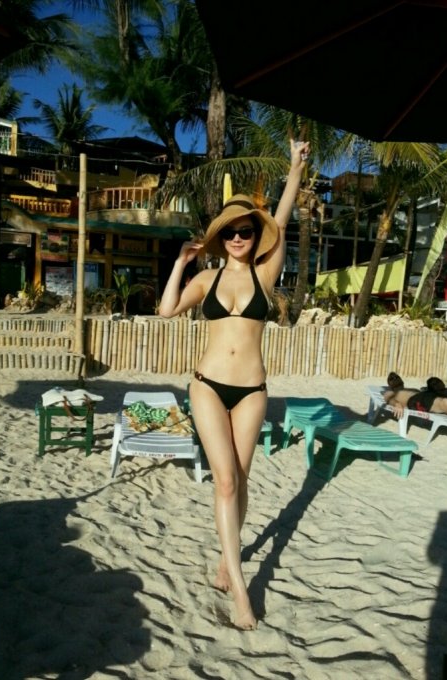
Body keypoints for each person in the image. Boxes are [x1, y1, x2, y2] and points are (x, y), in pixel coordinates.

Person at [158, 138, 310, 630]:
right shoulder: (206, 280)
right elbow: (166, 310)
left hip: (252, 392)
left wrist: (294, 168)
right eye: (231, 232)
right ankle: (241, 590)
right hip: (207, 385)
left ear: (255, 235)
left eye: (246, 230)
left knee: (239, 482)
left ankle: (227, 560)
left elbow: (281, 218)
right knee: (224, 481)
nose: (239, 237)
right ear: (221, 237)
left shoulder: (266, 276)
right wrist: (181, 264)